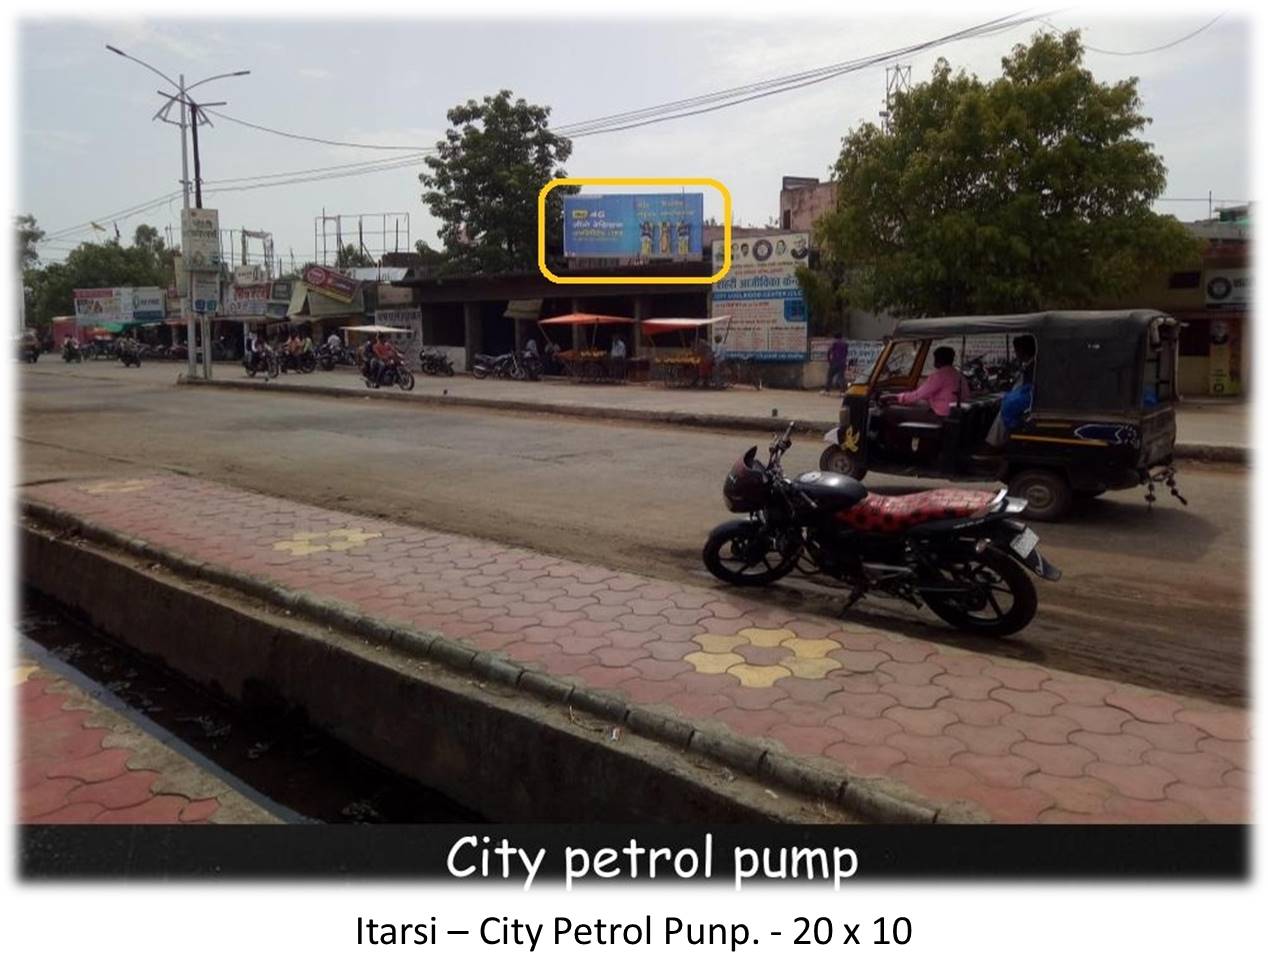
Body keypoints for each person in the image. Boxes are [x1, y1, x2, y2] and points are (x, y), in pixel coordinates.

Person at [883, 345, 971, 418]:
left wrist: (896, 397)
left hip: (943, 414)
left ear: (938, 359)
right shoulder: (958, 375)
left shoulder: (939, 375)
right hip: (955, 414)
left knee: (893, 411)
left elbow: (918, 395)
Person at [985, 335, 1037, 448]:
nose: (1016, 353)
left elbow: (1027, 390)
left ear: (1023, 351)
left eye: (1017, 350)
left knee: (1003, 410)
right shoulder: (1028, 365)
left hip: (1025, 402)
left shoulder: (1033, 367)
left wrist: (1008, 398)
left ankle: (994, 444)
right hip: (1020, 397)